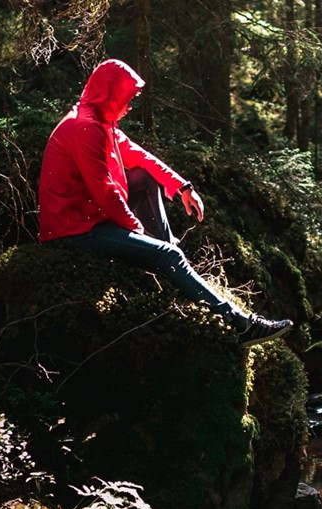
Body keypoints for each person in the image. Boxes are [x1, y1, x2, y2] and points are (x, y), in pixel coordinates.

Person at [37, 58, 293, 347]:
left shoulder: (99, 121)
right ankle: (238, 324)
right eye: (127, 99)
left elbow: (140, 156)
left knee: (144, 180)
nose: (130, 106)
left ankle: (169, 256)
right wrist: (136, 231)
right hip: (74, 230)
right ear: (110, 95)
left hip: (90, 218)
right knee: (167, 256)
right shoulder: (86, 128)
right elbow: (105, 192)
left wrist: (183, 187)